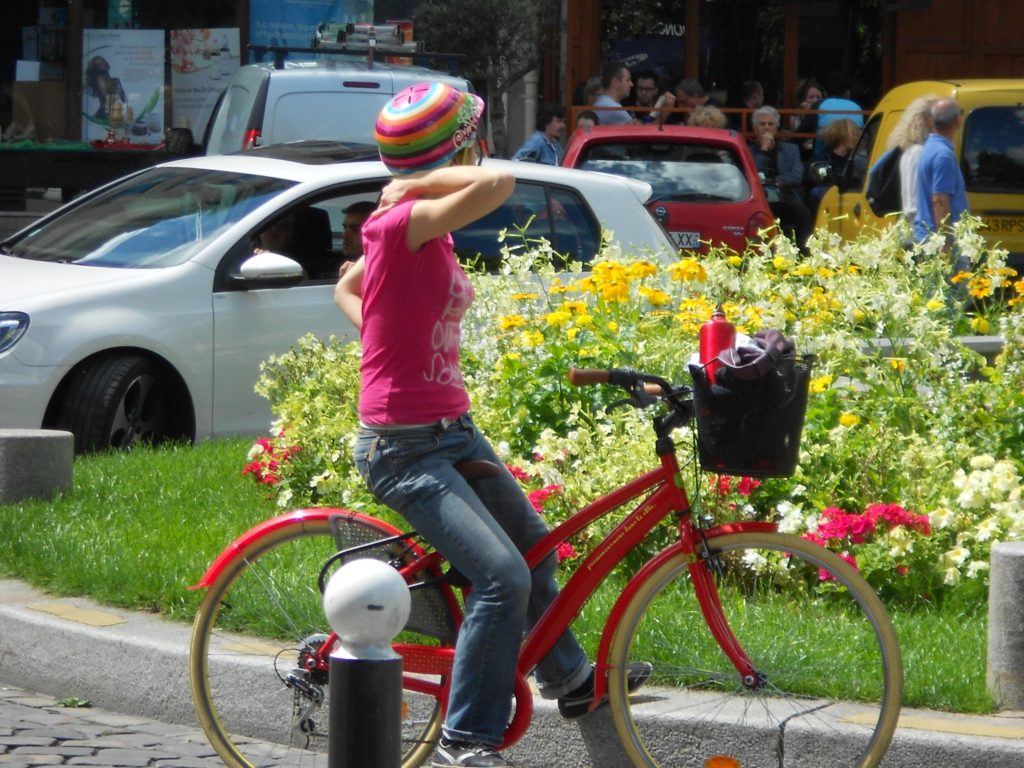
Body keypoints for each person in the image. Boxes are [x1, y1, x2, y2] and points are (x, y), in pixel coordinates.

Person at [334, 82, 650, 768]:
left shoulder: (418, 223)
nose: (486, 149)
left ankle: (568, 679)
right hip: (402, 446)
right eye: (475, 139)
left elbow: (349, 288)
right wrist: (418, 182)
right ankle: (465, 738)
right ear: (458, 149)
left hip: (450, 428)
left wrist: (383, 346)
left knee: (535, 552)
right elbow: (499, 180)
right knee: (503, 577)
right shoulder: (401, 222)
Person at [748, 105, 812, 249]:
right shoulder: (749, 151)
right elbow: (753, 176)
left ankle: (803, 252)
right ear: (755, 128)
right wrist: (763, 150)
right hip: (759, 197)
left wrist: (776, 181)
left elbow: (797, 176)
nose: (766, 128)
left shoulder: (791, 150)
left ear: (776, 128)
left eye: (770, 124)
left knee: (804, 213)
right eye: (762, 124)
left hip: (784, 194)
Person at [914, 97, 969, 260]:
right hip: (939, 242)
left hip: (926, 237)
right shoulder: (943, 155)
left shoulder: (929, 148)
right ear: (957, 121)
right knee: (952, 286)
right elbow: (939, 201)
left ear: (932, 121)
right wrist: (946, 244)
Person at [887, 95, 938, 230]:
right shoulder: (918, 153)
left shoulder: (909, 151)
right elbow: (914, 201)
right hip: (917, 229)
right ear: (926, 121)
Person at [808, 118, 860, 211]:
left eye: (856, 135)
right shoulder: (822, 157)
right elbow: (821, 179)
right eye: (852, 135)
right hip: (830, 193)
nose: (856, 138)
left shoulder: (858, 158)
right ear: (840, 134)